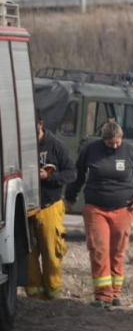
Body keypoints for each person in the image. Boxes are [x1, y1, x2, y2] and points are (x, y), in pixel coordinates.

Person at [66, 122, 133, 307]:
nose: (115, 146)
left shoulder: (132, 152)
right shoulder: (90, 150)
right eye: (111, 143)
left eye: (118, 142)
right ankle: (102, 295)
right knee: (99, 249)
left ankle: (116, 293)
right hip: (96, 209)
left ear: (122, 138)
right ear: (103, 140)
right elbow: (78, 175)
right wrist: (70, 197)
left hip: (123, 209)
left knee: (117, 251)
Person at [27, 111, 77, 300]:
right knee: (28, 255)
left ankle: (53, 296)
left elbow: (71, 173)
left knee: (51, 253)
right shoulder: (21, 145)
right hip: (25, 210)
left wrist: (50, 177)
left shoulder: (56, 146)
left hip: (49, 207)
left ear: (41, 124)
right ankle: (34, 296)